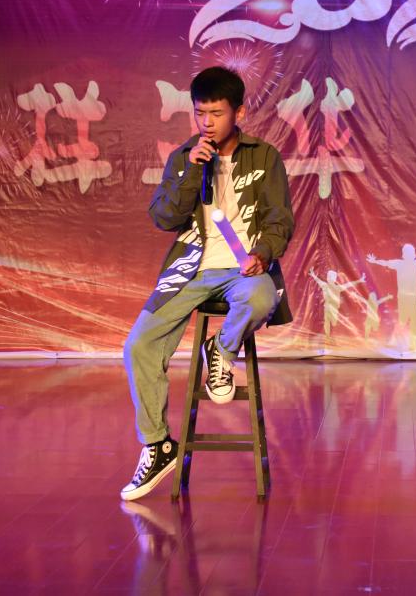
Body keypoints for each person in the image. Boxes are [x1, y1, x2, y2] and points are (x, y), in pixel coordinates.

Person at [120, 66, 294, 501]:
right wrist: (188, 175)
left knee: (263, 297)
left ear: (239, 112)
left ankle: (220, 350)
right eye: (201, 113)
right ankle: (157, 445)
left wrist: (263, 254)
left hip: (243, 270)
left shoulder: (265, 156)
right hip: (191, 269)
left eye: (217, 113)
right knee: (139, 345)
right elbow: (164, 218)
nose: (208, 123)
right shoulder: (185, 157)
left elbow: (280, 220)